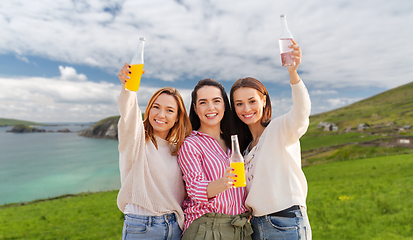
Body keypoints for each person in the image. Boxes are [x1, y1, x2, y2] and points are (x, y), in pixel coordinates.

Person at [229, 40, 312, 240]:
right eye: (239, 104)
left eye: (252, 101)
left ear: (264, 100)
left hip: (285, 221)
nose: (246, 109)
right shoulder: (245, 149)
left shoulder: (280, 129)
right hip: (256, 225)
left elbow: (301, 114)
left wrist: (293, 75)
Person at [116, 63, 192, 240]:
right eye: (156, 107)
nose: (161, 114)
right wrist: (128, 87)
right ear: (149, 109)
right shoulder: (136, 141)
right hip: (143, 227)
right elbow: (129, 115)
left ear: (177, 118)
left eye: (169, 110)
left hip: (175, 227)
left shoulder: (179, 149)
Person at [178, 78, 253, 240]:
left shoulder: (234, 143)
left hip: (240, 227)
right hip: (208, 227)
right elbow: (195, 189)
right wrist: (224, 182)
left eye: (216, 101)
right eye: (203, 102)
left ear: (224, 106)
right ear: (195, 108)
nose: (210, 107)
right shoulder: (191, 144)